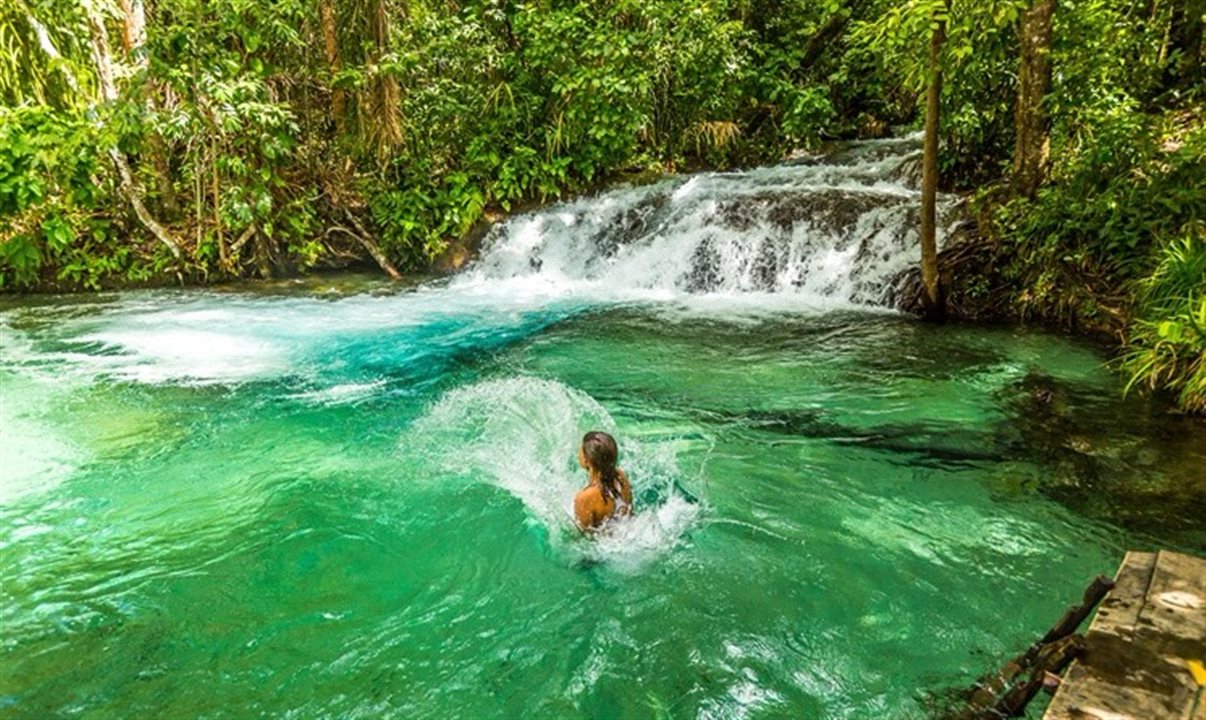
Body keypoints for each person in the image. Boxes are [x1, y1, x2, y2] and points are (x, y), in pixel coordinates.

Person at [573, 431, 633, 532]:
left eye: (581, 451)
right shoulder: (620, 477)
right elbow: (629, 513)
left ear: (587, 460)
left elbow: (583, 535)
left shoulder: (585, 497)